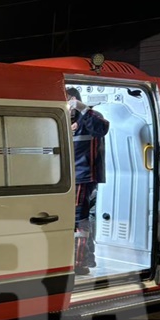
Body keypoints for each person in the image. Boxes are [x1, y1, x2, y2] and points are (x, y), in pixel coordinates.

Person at [67, 87, 109, 275]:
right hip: (67, 178)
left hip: (83, 176)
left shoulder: (91, 117)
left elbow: (102, 128)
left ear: (74, 100)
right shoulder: (65, 118)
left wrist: (82, 108)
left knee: (78, 220)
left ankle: (79, 263)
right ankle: (87, 258)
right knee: (74, 220)